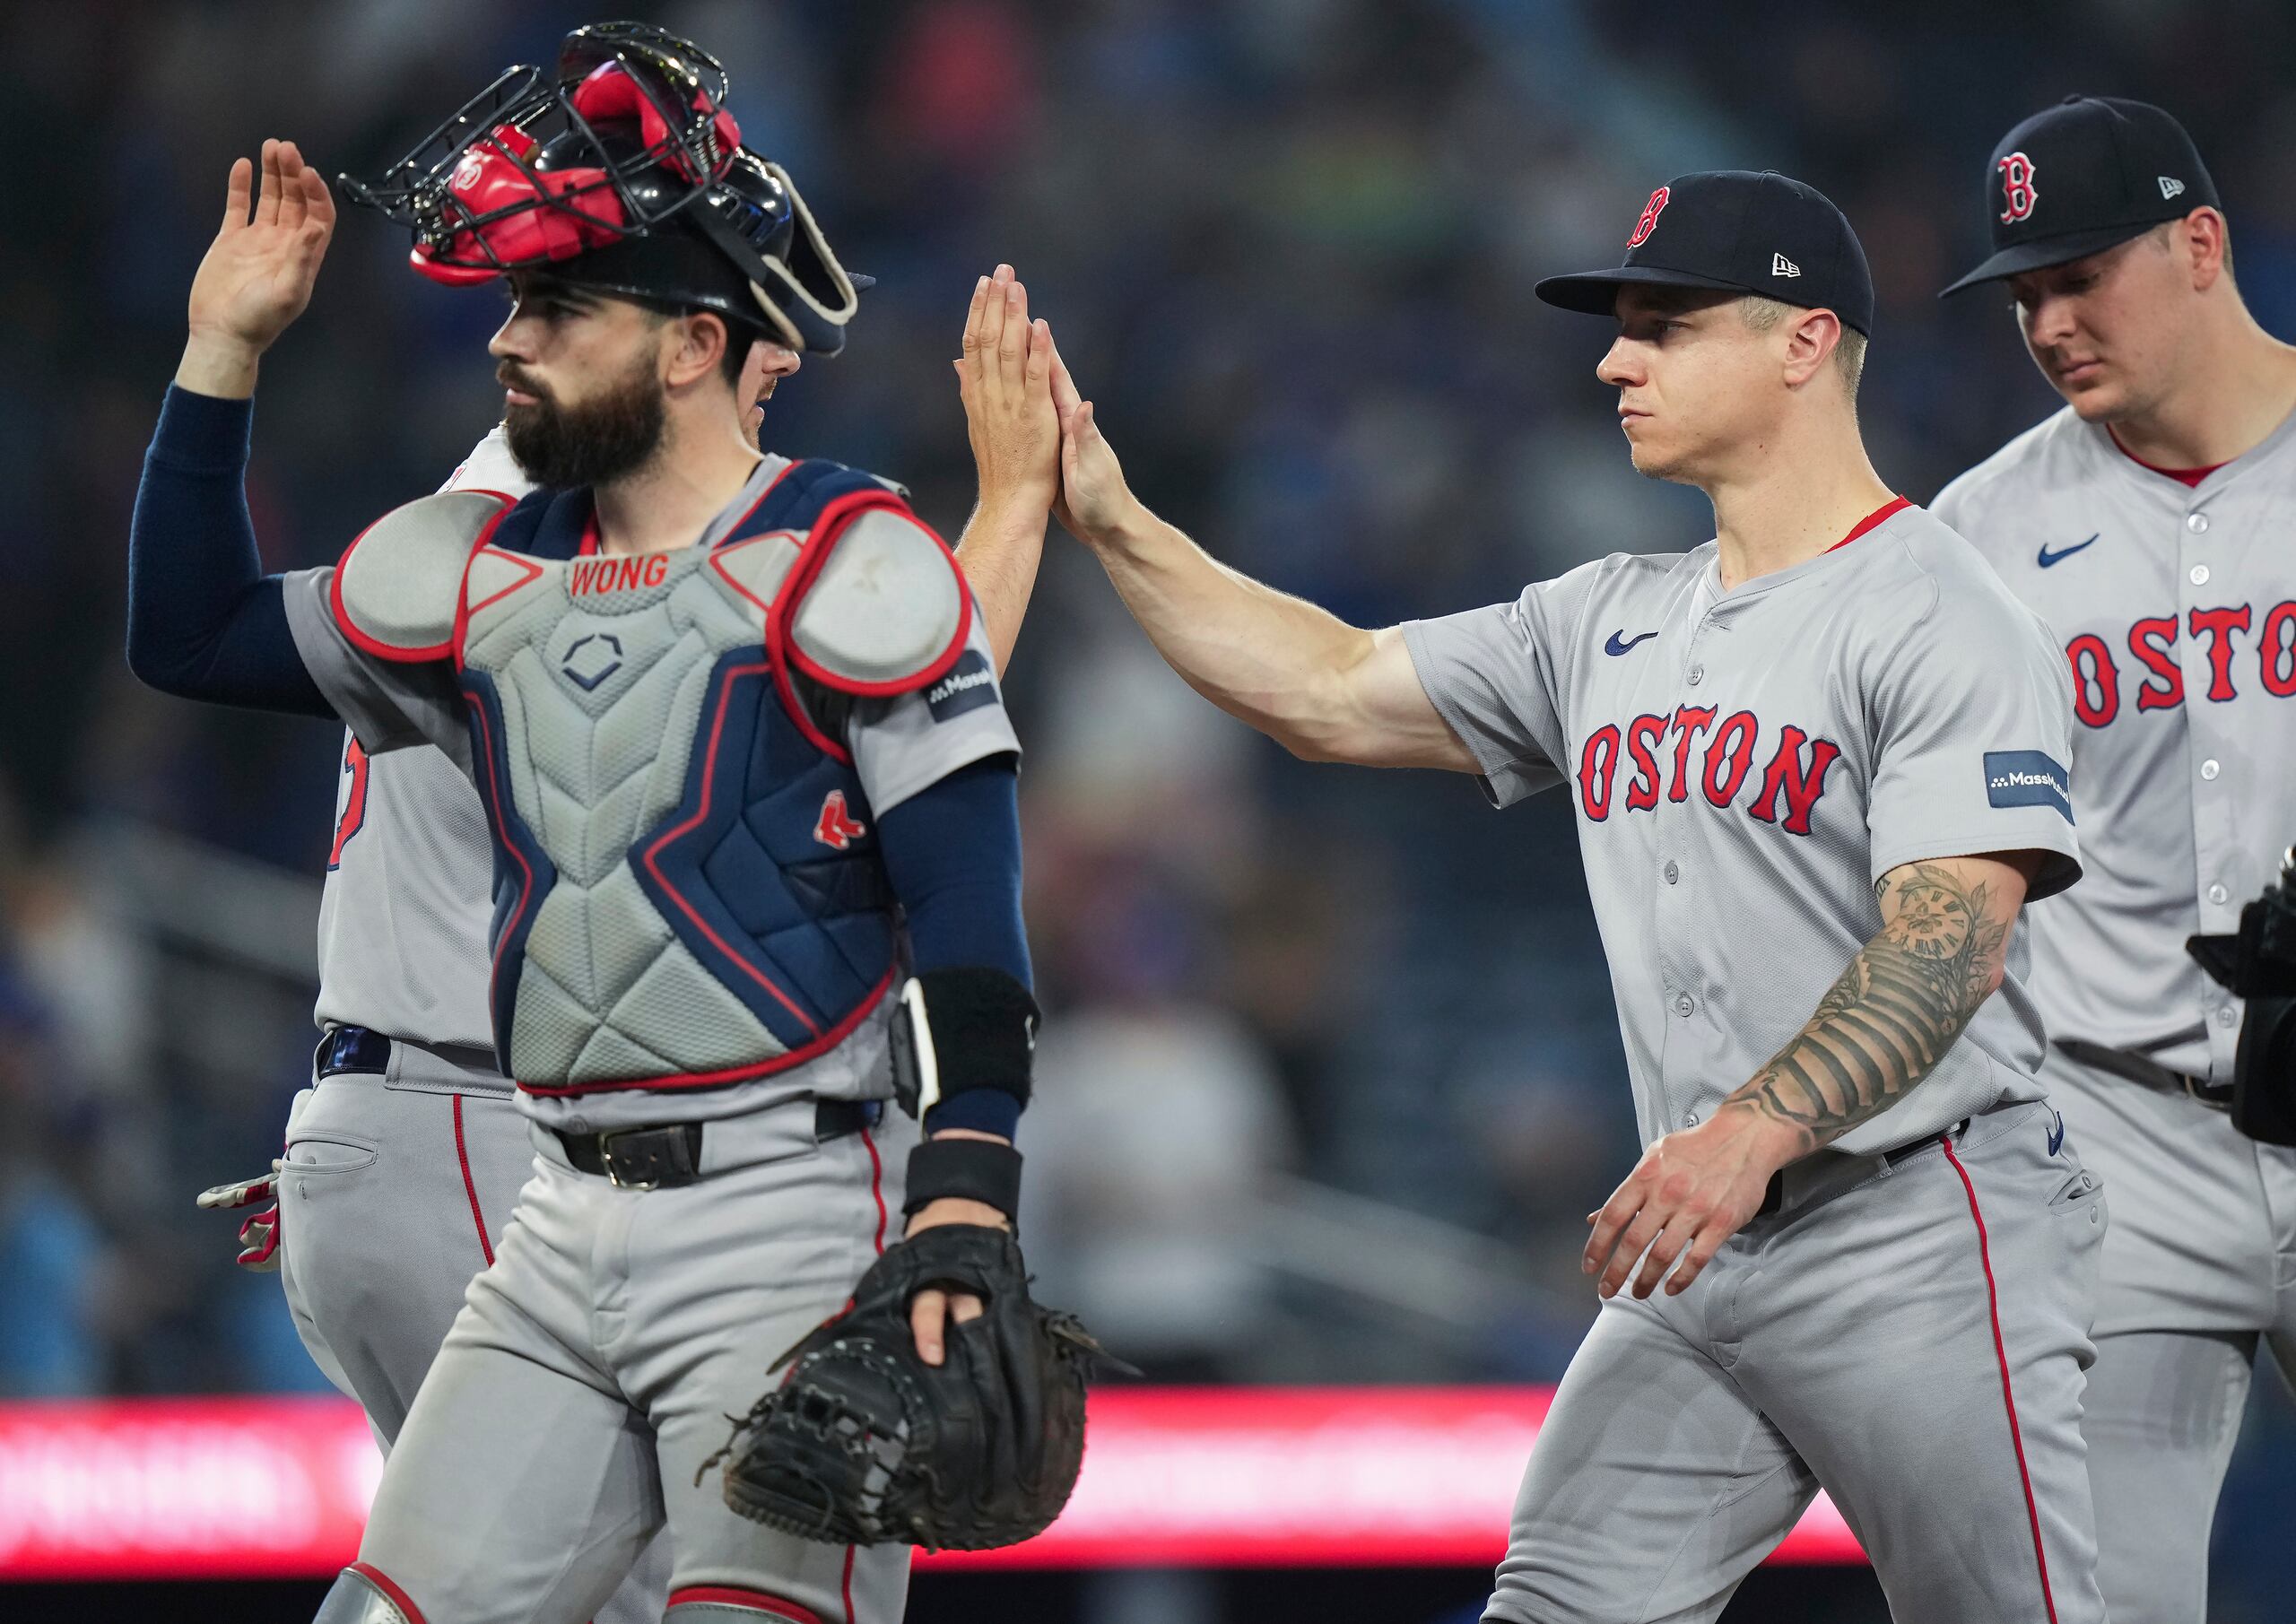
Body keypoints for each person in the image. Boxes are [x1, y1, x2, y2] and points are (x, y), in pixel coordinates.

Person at [963, 171, 2109, 1622]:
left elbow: (1952, 940)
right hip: (1701, 1251)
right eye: (1621, 327)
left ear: (1805, 344)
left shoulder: (1940, 608)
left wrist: (1750, 1130)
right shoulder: (1608, 615)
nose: (1614, 360)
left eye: (1664, 327)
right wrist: (1113, 517)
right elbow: (1325, 687)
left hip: (1923, 1237)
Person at [130, 25, 1038, 1624]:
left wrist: (970, 1182)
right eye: (511, 305)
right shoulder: (476, 573)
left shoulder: (849, 555)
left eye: (557, 307)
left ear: (695, 343)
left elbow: (967, 899)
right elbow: (189, 633)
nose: (511, 340)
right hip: (556, 1219)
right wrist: (223, 349)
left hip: (787, 1205)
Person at [1933, 95, 2296, 1624]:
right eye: (2024, 291)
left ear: (2200, 244)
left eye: (2084, 274)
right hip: (2126, 1141)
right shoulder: (1983, 538)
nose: (2051, 320)